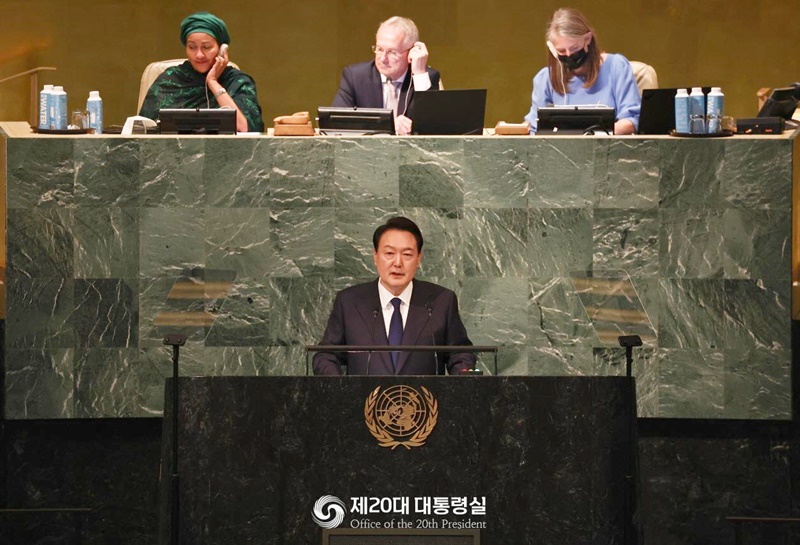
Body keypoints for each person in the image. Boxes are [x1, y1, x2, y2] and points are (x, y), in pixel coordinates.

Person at [313, 217, 476, 376]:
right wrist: (337, 387)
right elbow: (326, 356)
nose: (398, 263)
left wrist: (462, 378)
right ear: (375, 256)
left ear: (418, 258)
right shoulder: (349, 302)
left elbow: (461, 354)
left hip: (423, 402)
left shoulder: (442, 301)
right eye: (389, 253)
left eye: (407, 255)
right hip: (364, 402)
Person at [139, 12, 264, 133]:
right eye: (192, 47)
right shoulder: (170, 79)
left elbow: (244, 128)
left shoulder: (238, 82)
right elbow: (144, 131)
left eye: (206, 47)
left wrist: (213, 82)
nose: (199, 55)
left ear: (221, 49)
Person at [524, 8, 640, 135]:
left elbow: (632, 120)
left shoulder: (616, 67)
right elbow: (533, 128)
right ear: (552, 49)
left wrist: (589, 135)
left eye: (574, 48)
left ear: (588, 39)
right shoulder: (545, 79)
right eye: (562, 51)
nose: (569, 55)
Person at [332, 16, 440, 136]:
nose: (383, 59)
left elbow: (435, 129)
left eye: (392, 52)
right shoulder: (356, 76)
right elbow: (337, 123)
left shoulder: (425, 78)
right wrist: (388, 125)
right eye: (379, 49)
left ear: (411, 52)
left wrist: (419, 73)